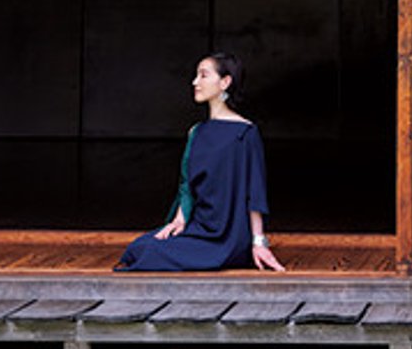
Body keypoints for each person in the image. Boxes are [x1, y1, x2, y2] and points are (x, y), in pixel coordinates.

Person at [115, 53, 285, 272]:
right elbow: (187, 184)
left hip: (230, 235)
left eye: (203, 75)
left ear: (225, 82)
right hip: (200, 227)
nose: (195, 82)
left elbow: (255, 191)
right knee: (139, 248)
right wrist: (179, 220)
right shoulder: (196, 132)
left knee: (150, 254)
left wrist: (258, 242)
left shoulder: (245, 133)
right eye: (196, 76)